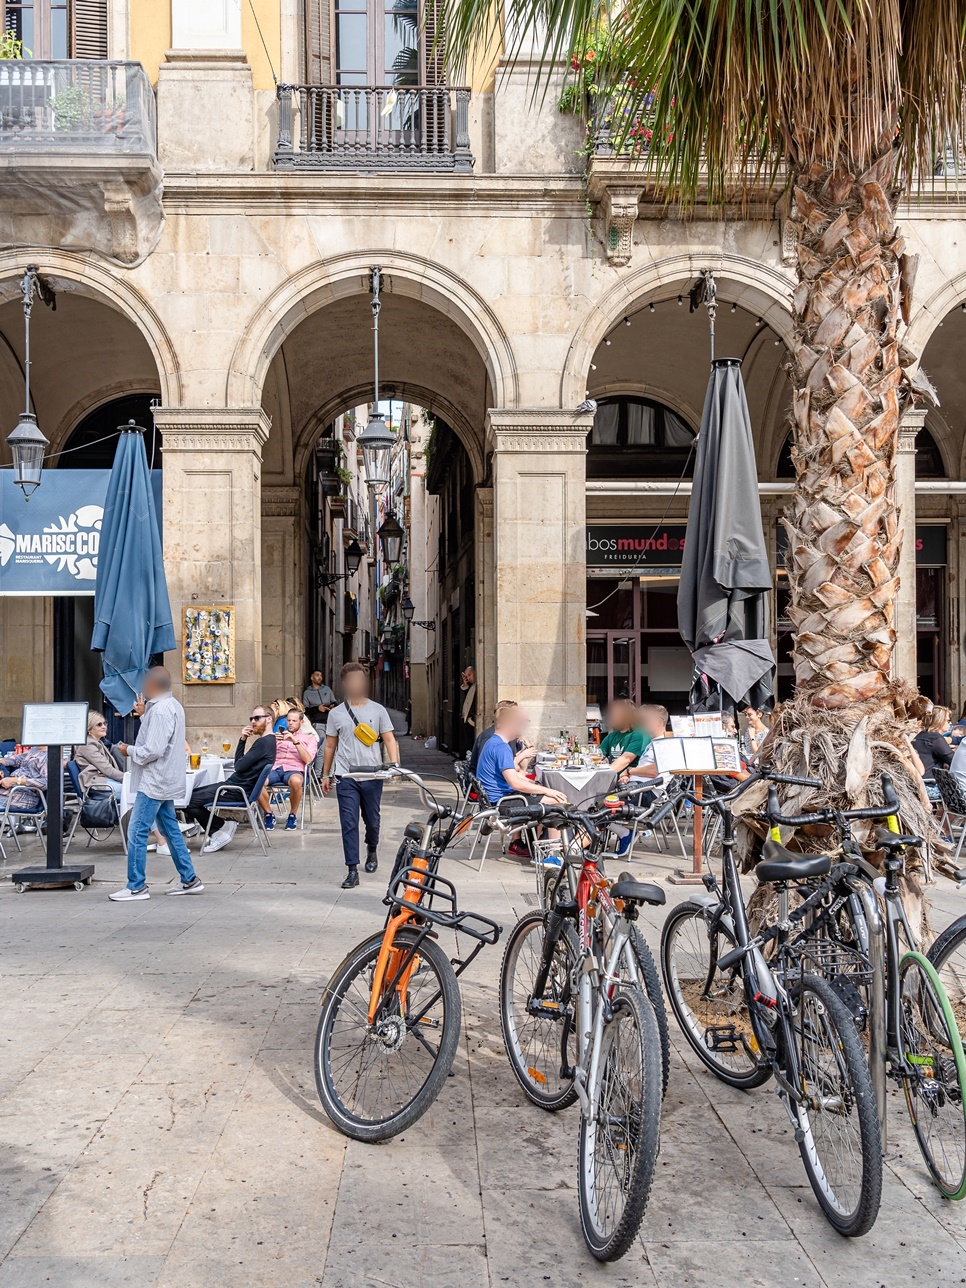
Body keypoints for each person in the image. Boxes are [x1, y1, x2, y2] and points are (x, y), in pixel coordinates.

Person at [109, 666, 203, 901]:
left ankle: (136, 885)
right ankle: (189, 878)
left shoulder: (161, 710)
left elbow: (153, 749)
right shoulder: (170, 706)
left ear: (153, 685)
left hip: (155, 780)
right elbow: (159, 736)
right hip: (163, 779)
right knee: (170, 829)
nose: (142, 686)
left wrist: (126, 750)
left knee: (137, 830)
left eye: (145, 682)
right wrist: (143, 714)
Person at [321, 662, 399, 889]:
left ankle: (372, 849)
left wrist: (393, 766)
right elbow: (329, 745)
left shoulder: (378, 710)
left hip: (373, 775)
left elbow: (389, 739)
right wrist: (326, 774)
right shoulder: (336, 714)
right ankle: (352, 869)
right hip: (346, 776)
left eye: (361, 680)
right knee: (349, 822)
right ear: (345, 683)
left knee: (372, 821)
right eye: (353, 680)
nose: (357, 684)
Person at [183, 705, 276, 852]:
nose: (253, 722)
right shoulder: (268, 742)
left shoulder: (263, 742)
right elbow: (239, 765)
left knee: (188, 800)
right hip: (236, 787)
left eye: (257, 718)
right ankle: (223, 826)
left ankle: (218, 830)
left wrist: (242, 741)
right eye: (252, 718)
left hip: (236, 790)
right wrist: (243, 738)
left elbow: (238, 766)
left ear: (269, 719)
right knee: (189, 795)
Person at [475, 702, 569, 808]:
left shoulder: (492, 741)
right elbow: (515, 783)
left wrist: (535, 785)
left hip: (495, 798)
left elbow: (516, 774)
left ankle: (538, 824)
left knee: (548, 798)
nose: (521, 728)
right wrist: (548, 791)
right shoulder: (502, 747)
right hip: (501, 801)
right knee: (557, 800)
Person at [260, 707, 317, 830]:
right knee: (257, 781)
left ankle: (292, 815)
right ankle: (269, 814)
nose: (290, 723)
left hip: (294, 769)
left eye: (294, 721)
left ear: (301, 722)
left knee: (296, 781)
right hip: (275, 768)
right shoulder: (278, 736)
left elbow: (308, 760)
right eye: (289, 720)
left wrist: (295, 741)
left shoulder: (309, 739)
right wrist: (270, 741)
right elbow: (262, 755)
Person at [468, 700, 534, 777]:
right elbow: (511, 769)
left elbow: (520, 767)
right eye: (517, 719)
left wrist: (524, 742)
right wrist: (521, 758)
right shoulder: (491, 738)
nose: (521, 723)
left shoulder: (509, 738)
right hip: (491, 783)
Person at [74, 711, 124, 800]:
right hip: (96, 785)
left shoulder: (97, 742)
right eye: (99, 724)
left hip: (103, 781)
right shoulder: (87, 745)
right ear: (89, 729)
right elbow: (107, 769)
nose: (104, 727)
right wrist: (127, 778)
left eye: (105, 723)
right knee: (134, 792)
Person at [599, 699, 647, 773]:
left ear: (627, 716)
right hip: (613, 778)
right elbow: (598, 755)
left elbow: (625, 760)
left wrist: (605, 774)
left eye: (614, 714)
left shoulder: (639, 734)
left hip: (630, 780)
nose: (609, 717)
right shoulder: (612, 735)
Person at [0, 745, 47, 817]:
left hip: (22, 796)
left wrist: (16, 780)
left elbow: (45, 783)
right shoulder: (35, 749)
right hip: (8, 791)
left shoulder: (49, 756)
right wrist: (1, 763)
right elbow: (17, 759)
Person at [913, 705, 954, 778]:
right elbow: (953, 760)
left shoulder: (922, 735)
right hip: (931, 785)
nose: (950, 723)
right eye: (948, 720)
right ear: (940, 721)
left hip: (921, 783)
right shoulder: (935, 737)